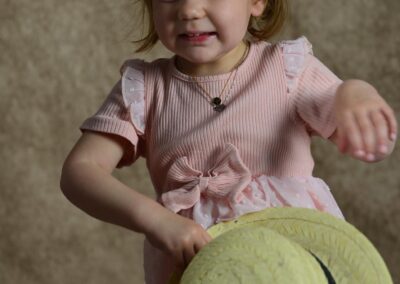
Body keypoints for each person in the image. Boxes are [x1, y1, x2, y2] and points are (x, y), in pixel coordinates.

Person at [60, 0, 397, 283]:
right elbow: (80, 171)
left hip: (291, 264)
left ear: (257, 1)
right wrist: (154, 219)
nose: (189, 9)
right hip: (200, 266)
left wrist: (355, 93)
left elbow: (343, 110)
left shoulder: (286, 69)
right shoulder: (145, 89)